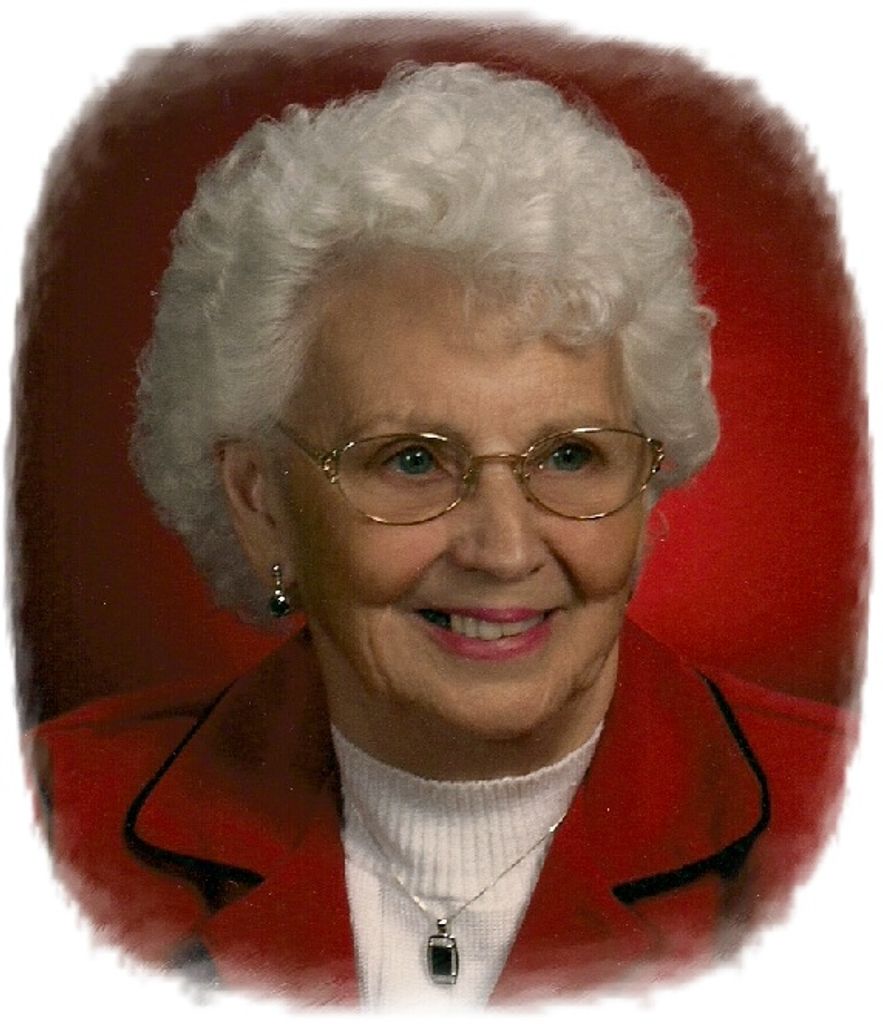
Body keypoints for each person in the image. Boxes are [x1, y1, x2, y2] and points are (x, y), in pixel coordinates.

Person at [29, 63, 850, 1009]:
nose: (503, 550)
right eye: (411, 460)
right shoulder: (52, 817)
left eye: (570, 456)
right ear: (260, 502)